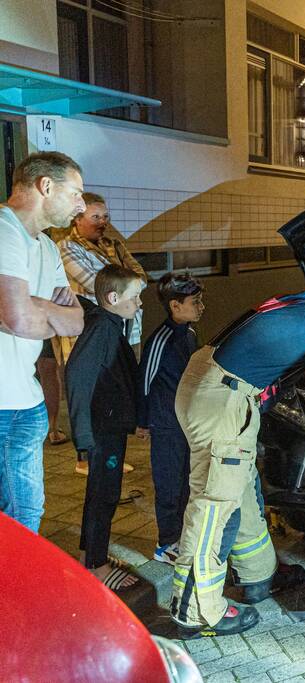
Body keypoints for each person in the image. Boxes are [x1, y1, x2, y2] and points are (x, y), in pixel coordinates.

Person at [170, 285, 305, 639]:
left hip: (209, 384)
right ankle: (195, 611)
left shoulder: (293, 302)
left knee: (241, 489)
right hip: (223, 401)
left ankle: (259, 575)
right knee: (215, 506)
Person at [0, 152, 85, 532]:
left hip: (28, 405)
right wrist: (47, 311)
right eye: (76, 194)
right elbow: (17, 318)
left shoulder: (47, 247)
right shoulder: (4, 230)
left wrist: (38, 308)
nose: (81, 205)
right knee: (18, 524)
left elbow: (77, 321)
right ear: (46, 186)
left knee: (26, 519)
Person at [65, 265, 145, 591]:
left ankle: (92, 556)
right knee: (103, 494)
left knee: (102, 492)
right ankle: (95, 567)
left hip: (108, 425)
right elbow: (76, 376)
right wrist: (83, 436)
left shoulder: (111, 325)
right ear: (113, 298)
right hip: (102, 430)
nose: (139, 303)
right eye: (135, 297)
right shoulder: (102, 329)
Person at [58, 193, 146, 475]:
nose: (103, 222)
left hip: (127, 331)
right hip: (89, 333)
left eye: (105, 216)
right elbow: (96, 282)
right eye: (95, 217)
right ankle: (85, 457)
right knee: (91, 393)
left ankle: (110, 454)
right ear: (78, 218)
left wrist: (124, 283)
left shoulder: (116, 245)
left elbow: (139, 277)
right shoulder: (67, 247)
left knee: (117, 392)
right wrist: (124, 281)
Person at [138, 273, 205, 565]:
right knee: (168, 482)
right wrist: (142, 421)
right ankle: (165, 543)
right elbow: (144, 380)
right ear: (175, 306)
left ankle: (181, 536)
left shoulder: (189, 334)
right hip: (165, 423)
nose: (201, 306)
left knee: (186, 482)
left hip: (186, 422)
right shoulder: (161, 339)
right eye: (195, 302)